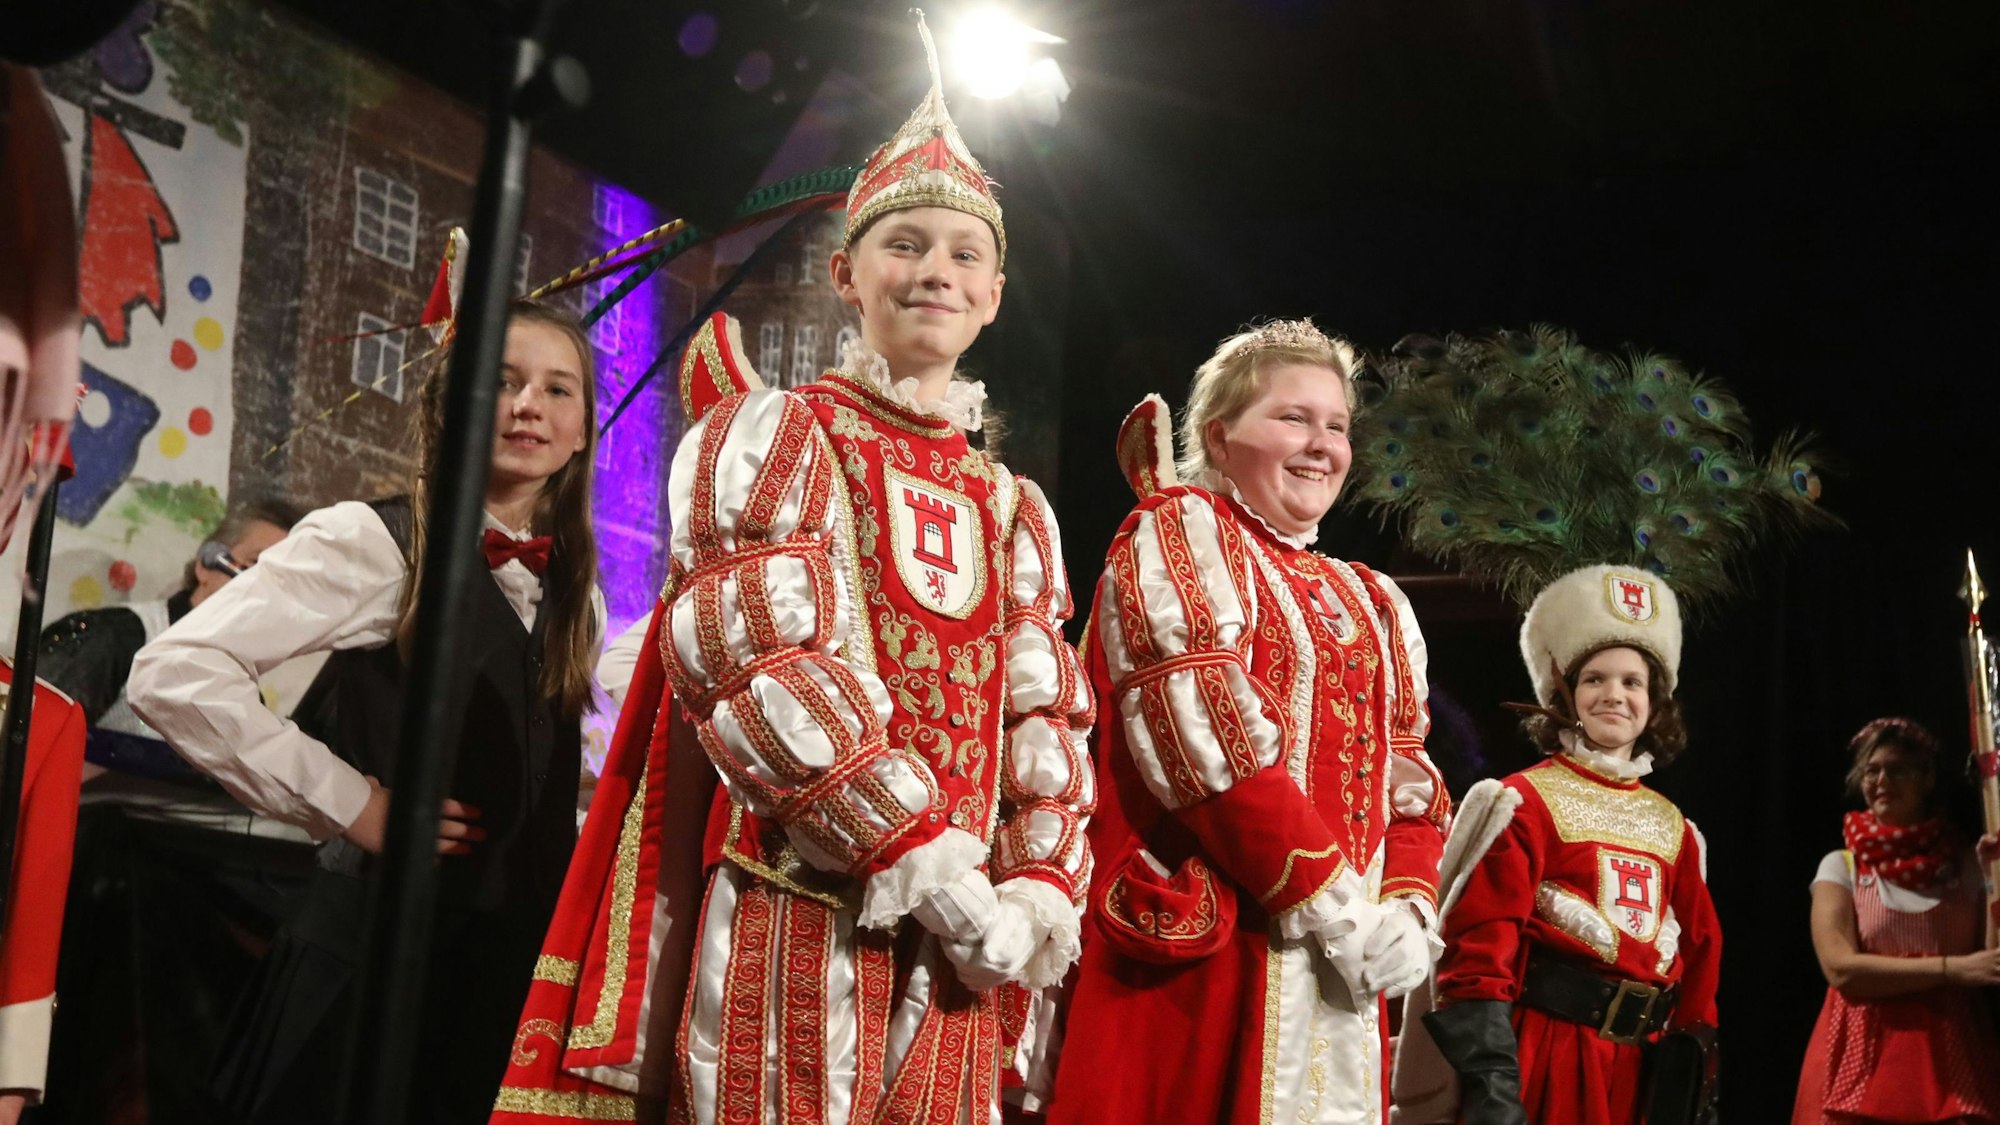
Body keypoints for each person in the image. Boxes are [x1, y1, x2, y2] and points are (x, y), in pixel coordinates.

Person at [490, 16, 1094, 1124]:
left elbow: (1042, 717)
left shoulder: (1012, 505)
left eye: (963, 255)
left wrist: (1030, 893)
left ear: (995, 295)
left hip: (962, 960)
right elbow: (757, 660)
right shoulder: (779, 434)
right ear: (844, 275)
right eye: (904, 244)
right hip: (801, 901)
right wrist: (924, 861)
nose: (935, 272)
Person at [128, 297, 604, 1123]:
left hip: (496, 985)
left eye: (558, 389)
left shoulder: (576, 590)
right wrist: (358, 804)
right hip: (371, 967)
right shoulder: (375, 541)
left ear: (584, 429)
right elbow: (176, 672)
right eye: (503, 381)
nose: (530, 404)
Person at [1048, 320, 1451, 1125]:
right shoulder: (1179, 532)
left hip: (1343, 973)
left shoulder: (1373, 599)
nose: (1322, 445)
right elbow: (1203, 742)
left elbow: (1409, 775)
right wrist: (1332, 904)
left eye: (1336, 425)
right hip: (1210, 970)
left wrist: (1408, 908)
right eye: (1293, 418)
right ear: (1217, 438)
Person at [1406, 565, 1721, 1125]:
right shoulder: (1523, 802)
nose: (1614, 695)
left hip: (1642, 1077)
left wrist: (1692, 1079)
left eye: (1632, 682)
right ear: (1566, 695)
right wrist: (1494, 1091)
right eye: (1594, 679)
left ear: (1655, 703)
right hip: (1548, 1059)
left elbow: (1701, 959)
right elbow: (1479, 951)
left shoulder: (1675, 827)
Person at [1791, 716, 2000, 1124]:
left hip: (1951, 1056)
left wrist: (1995, 877)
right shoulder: (1843, 867)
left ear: (1926, 779)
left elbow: (1990, 961)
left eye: (1897, 770)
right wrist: (1952, 969)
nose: (1882, 781)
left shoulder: (1965, 865)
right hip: (1861, 1054)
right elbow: (1841, 969)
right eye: (1872, 771)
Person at [39, 498, 305, 733]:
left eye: (285, 584)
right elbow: (33, 745)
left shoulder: (248, 701)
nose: (267, 593)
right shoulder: (114, 637)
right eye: (256, 566)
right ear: (206, 565)